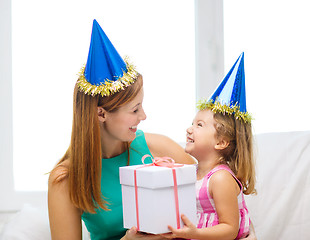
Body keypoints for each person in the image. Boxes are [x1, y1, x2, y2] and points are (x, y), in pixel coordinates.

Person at [48, 20, 256, 240]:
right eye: (135, 109)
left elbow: (213, 200)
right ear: (101, 114)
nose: (143, 116)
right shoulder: (65, 179)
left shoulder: (158, 147)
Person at [163, 53, 256, 240]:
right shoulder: (195, 172)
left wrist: (195, 233)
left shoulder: (220, 179)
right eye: (192, 123)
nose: (189, 129)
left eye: (199, 125)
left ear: (221, 142)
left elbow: (230, 229)